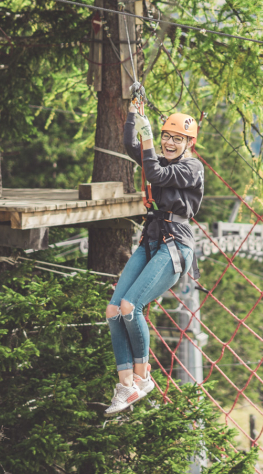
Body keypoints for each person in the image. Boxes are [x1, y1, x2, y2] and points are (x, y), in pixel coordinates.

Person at [104, 105, 203, 415]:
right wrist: (133, 116)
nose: (169, 143)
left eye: (177, 139)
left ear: (189, 143)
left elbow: (155, 174)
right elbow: (131, 145)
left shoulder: (192, 168)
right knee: (113, 311)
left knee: (130, 307)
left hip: (175, 246)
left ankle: (143, 377)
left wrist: (147, 138)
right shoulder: (157, 158)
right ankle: (126, 385)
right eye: (166, 137)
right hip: (152, 240)